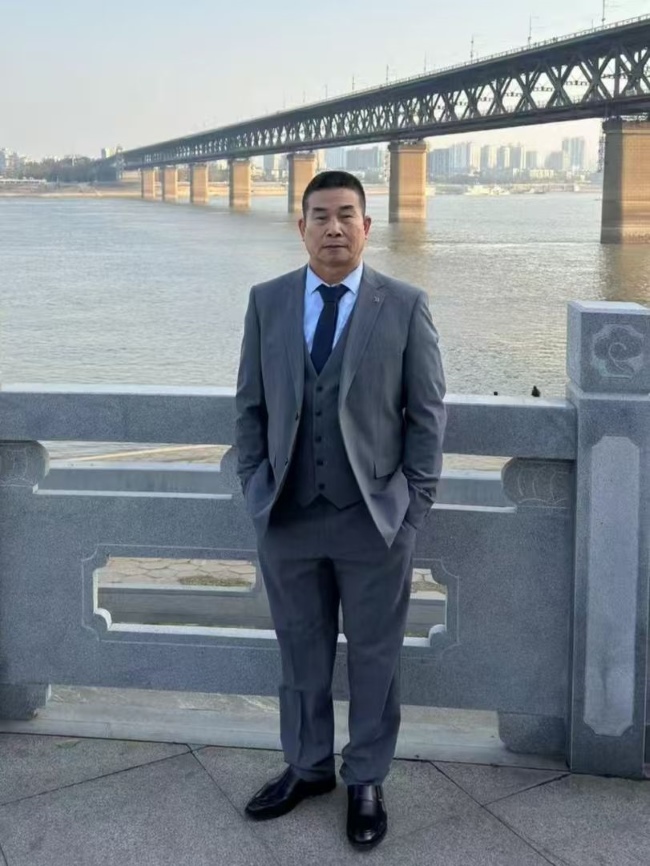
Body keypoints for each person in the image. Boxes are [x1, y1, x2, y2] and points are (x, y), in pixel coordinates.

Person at [235, 169, 446, 850]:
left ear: (366, 226)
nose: (333, 228)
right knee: (300, 651)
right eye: (320, 216)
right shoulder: (267, 301)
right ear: (301, 227)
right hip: (288, 514)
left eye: (346, 215)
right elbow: (249, 406)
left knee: (375, 658)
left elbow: (427, 415)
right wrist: (256, 486)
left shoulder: (405, 305)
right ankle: (307, 767)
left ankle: (366, 780)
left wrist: (411, 509)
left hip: (374, 519)